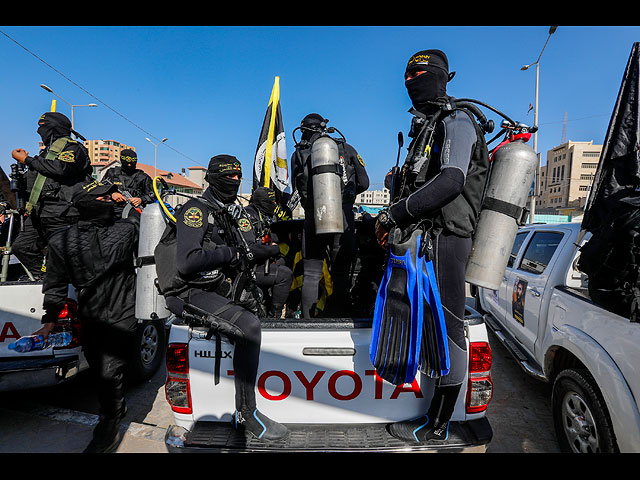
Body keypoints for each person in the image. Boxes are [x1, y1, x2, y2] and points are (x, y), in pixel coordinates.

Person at [375, 49, 490, 442]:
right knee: (430, 326)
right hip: (429, 241)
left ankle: (438, 423)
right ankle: (429, 408)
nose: (411, 83)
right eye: (407, 76)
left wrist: (395, 214)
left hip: (448, 240)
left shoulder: (458, 120)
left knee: (449, 329)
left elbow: (451, 181)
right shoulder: (429, 126)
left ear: (442, 77)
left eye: (420, 75)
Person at [164, 154, 287, 441]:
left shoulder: (227, 212)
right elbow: (187, 262)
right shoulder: (196, 210)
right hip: (189, 290)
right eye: (228, 176)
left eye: (237, 176)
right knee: (249, 326)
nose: (234, 181)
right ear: (212, 177)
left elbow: (244, 252)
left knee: (261, 315)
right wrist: (233, 254)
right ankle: (247, 412)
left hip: (217, 286)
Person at [33, 179, 140, 453]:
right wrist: (48, 323)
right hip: (90, 314)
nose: (111, 202)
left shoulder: (128, 229)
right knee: (98, 368)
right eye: (105, 199)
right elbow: (55, 285)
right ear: (89, 204)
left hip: (124, 309)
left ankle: (109, 424)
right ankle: (116, 405)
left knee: (110, 369)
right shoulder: (61, 241)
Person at [291, 113, 369, 318]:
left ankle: (308, 321)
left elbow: (296, 188)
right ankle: (339, 317)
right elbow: (364, 183)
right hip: (343, 217)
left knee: (311, 273)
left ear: (303, 131)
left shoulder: (299, 153)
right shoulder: (346, 148)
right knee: (341, 273)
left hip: (312, 218)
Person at [10, 112, 92, 277]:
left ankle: (66, 284)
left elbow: (62, 168)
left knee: (63, 255)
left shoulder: (74, 148)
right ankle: (45, 275)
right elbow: (35, 182)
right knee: (21, 247)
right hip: (40, 213)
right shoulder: (45, 155)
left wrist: (28, 160)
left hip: (63, 213)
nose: (40, 132)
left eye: (43, 128)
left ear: (53, 128)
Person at [240, 186, 293, 318]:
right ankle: (274, 317)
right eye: (271, 202)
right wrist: (275, 249)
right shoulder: (247, 216)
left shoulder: (263, 215)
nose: (274, 205)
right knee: (284, 274)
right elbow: (251, 249)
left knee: (286, 261)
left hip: (258, 263)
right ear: (262, 202)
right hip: (244, 269)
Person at [102, 149, 155, 218]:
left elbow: (153, 195)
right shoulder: (112, 173)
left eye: (131, 163)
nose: (129, 165)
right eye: (127, 163)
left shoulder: (143, 177)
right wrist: (112, 194)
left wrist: (141, 200)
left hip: (134, 212)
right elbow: (100, 189)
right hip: (112, 211)